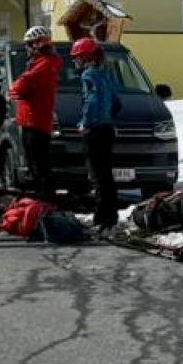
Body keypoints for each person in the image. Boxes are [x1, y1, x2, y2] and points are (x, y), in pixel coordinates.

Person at [9, 25, 61, 200]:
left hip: (34, 120)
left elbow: (20, 86)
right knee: (39, 165)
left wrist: (14, 90)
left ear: (38, 44)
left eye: (29, 44)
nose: (27, 48)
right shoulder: (45, 63)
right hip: (36, 120)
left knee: (38, 166)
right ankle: (44, 199)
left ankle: (44, 201)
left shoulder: (42, 65)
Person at [74, 37, 120, 233]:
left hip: (94, 130)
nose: (75, 61)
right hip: (107, 129)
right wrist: (108, 118)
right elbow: (117, 102)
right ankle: (111, 217)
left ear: (85, 57)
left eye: (77, 57)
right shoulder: (105, 75)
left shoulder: (88, 75)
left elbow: (91, 100)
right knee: (107, 174)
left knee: (97, 176)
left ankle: (100, 218)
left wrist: (86, 123)